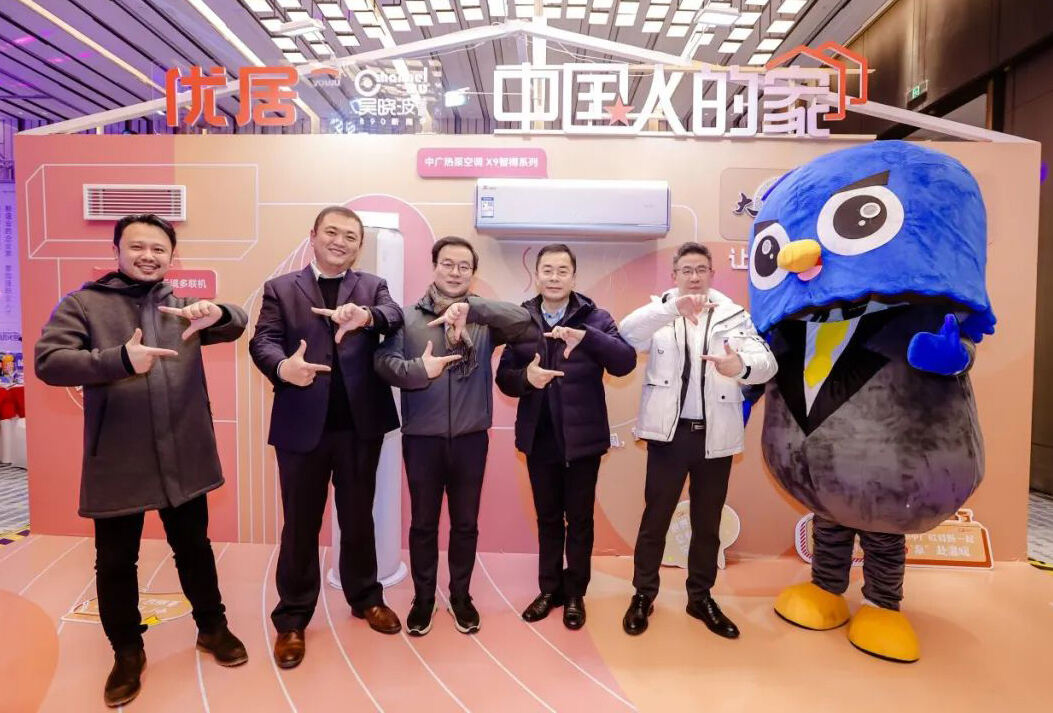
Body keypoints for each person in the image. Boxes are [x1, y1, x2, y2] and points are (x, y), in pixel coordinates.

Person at [35, 213, 249, 708]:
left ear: (172, 256)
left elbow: (237, 321)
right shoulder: (83, 304)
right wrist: (118, 360)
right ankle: (127, 652)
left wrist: (219, 312)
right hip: (118, 459)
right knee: (116, 561)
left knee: (194, 548)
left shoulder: (182, 307)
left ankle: (212, 629)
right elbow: (48, 360)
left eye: (158, 248)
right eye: (137, 246)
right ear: (116, 250)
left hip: (183, 454)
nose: (148, 256)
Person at [249, 206, 404, 670]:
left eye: (350, 236)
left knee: (358, 517)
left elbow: (394, 316)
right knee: (300, 523)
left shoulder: (372, 286)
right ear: (313, 235)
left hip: (359, 426)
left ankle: (365, 597)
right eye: (331, 232)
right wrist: (283, 367)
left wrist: (366, 316)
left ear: (359, 245)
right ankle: (293, 617)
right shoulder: (281, 288)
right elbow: (262, 340)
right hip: (301, 425)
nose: (340, 241)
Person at [374, 236, 534, 636]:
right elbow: (384, 362)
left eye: (464, 266)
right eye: (448, 263)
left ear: (473, 274)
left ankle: (461, 596)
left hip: (470, 438)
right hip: (422, 439)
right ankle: (424, 598)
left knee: (465, 524)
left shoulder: (483, 319)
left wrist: (472, 308)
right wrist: (419, 370)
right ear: (434, 266)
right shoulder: (407, 317)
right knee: (423, 524)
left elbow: (523, 321)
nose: (455, 272)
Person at [618, 242, 777, 638]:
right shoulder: (660, 314)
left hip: (715, 437)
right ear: (674, 275)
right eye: (686, 270)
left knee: (707, 523)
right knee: (655, 519)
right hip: (669, 437)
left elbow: (767, 364)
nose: (694, 276)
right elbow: (626, 334)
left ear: (711, 274)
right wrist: (671, 308)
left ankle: (700, 597)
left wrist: (740, 365)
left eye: (701, 269)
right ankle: (643, 594)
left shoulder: (733, 315)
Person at [496, 243, 636, 629]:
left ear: (574, 277)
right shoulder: (520, 319)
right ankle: (549, 589)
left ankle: (575, 594)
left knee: (580, 520)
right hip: (539, 438)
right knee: (547, 519)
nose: (554, 277)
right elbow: (504, 378)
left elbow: (624, 362)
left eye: (562, 271)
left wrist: (587, 336)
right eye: (548, 270)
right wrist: (527, 378)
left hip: (583, 440)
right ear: (536, 275)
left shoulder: (596, 317)